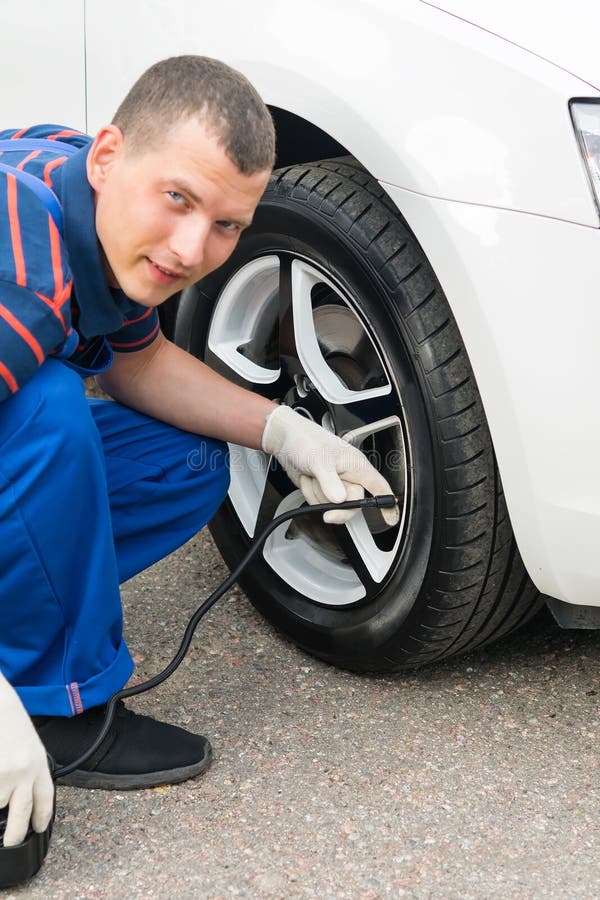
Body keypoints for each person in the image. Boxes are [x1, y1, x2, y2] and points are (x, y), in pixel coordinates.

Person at [0, 56, 397, 847]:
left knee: (184, 462)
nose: (190, 249)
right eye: (177, 200)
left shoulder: (89, 197)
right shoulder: (20, 263)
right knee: (47, 414)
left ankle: (32, 666)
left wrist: (287, 431)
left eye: (226, 225)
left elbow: (137, 361)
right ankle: (53, 707)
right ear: (110, 156)